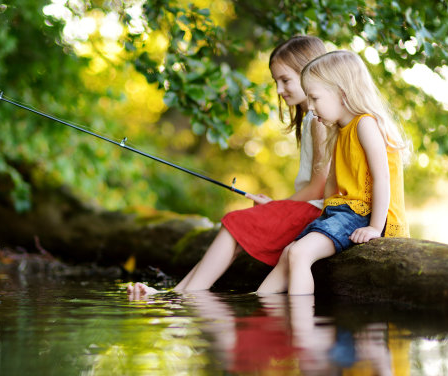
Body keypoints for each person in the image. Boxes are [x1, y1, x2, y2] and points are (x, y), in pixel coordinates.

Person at [127, 35, 329, 298]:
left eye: (285, 80)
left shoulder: (318, 120)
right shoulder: (311, 119)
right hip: (308, 207)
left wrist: (278, 206)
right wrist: (279, 207)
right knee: (236, 226)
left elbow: (319, 186)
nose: (279, 90)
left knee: (235, 222)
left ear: (308, 71)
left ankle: (178, 296)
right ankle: (175, 294)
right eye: (276, 81)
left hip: (318, 212)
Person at [257, 50, 410, 296]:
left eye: (315, 98)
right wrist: (325, 216)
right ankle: (259, 307)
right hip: (345, 212)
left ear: (342, 93)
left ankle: (302, 327)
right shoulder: (340, 130)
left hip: (367, 214)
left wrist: (374, 228)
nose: (311, 106)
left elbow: (382, 179)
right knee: (288, 252)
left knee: (299, 253)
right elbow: (332, 182)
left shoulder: (365, 124)